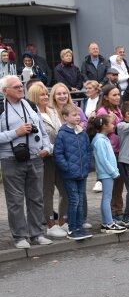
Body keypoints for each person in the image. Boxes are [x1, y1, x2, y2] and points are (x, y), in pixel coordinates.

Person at [0, 76, 53, 248]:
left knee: (36, 198)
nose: (20, 88)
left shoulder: (30, 105)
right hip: (11, 159)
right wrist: (16, 132)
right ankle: (20, 236)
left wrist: (46, 147)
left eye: (20, 86)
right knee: (15, 201)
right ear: (4, 91)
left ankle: (37, 233)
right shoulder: (1, 108)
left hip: (35, 157)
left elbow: (43, 131)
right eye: (15, 87)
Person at [27, 82, 67, 239]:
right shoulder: (32, 114)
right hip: (45, 158)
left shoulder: (52, 110)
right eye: (41, 94)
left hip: (59, 155)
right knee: (47, 192)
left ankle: (63, 221)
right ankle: (50, 224)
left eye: (46, 94)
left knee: (65, 190)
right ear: (35, 97)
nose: (45, 97)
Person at [53, 104, 92, 240]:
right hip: (70, 173)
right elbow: (58, 154)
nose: (78, 117)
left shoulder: (82, 132)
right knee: (74, 200)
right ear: (65, 117)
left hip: (82, 173)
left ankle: (79, 227)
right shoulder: (62, 134)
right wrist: (67, 167)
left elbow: (88, 150)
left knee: (80, 200)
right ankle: (72, 228)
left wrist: (86, 166)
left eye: (78, 115)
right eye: (74, 115)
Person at [88, 114, 126, 233]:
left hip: (108, 173)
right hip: (106, 174)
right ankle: (108, 223)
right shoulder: (99, 140)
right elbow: (103, 159)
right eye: (110, 123)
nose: (113, 125)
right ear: (104, 126)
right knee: (107, 198)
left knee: (107, 198)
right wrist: (113, 172)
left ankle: (106, 222)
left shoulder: (103, 138)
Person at [96, 84, 125, 222]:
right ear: (106, 97)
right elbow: (102, 130)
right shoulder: (103, 111)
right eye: (114, 95)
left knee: (120, 183)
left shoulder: (118, 109)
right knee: (112, 185)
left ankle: (119, 210)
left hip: (121, 149)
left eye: (118, 94)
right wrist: (111, 121)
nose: (117, 97)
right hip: (111, 150)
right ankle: (113, 213)